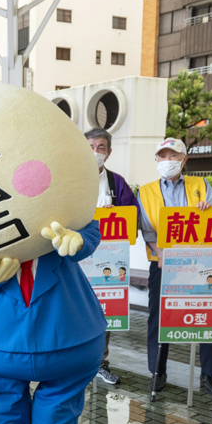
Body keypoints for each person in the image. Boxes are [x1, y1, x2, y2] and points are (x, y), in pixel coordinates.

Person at [138, 137, 212, 396]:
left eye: (173, 156)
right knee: (159, 317)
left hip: (199, 262)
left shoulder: (201, 185)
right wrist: (161, 254)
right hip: (162, 262)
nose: (168, 161)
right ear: (156, 160)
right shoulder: (145, 191)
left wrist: (206, 210)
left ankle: (209, 375)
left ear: (184, 160)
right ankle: (158, 371)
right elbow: (148, 230)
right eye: (162, 156)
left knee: (207, 314)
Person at [85, 128, 139, 386]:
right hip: (77, 261)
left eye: (101, 147)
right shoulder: (70, 180)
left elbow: (133, 217)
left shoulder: (116, 182)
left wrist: (115, 212)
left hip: (108, 259)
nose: (95, 152)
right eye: (90, 146)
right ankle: (73, 364)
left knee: (105, 311)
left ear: (109, 152)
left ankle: (100, 364)